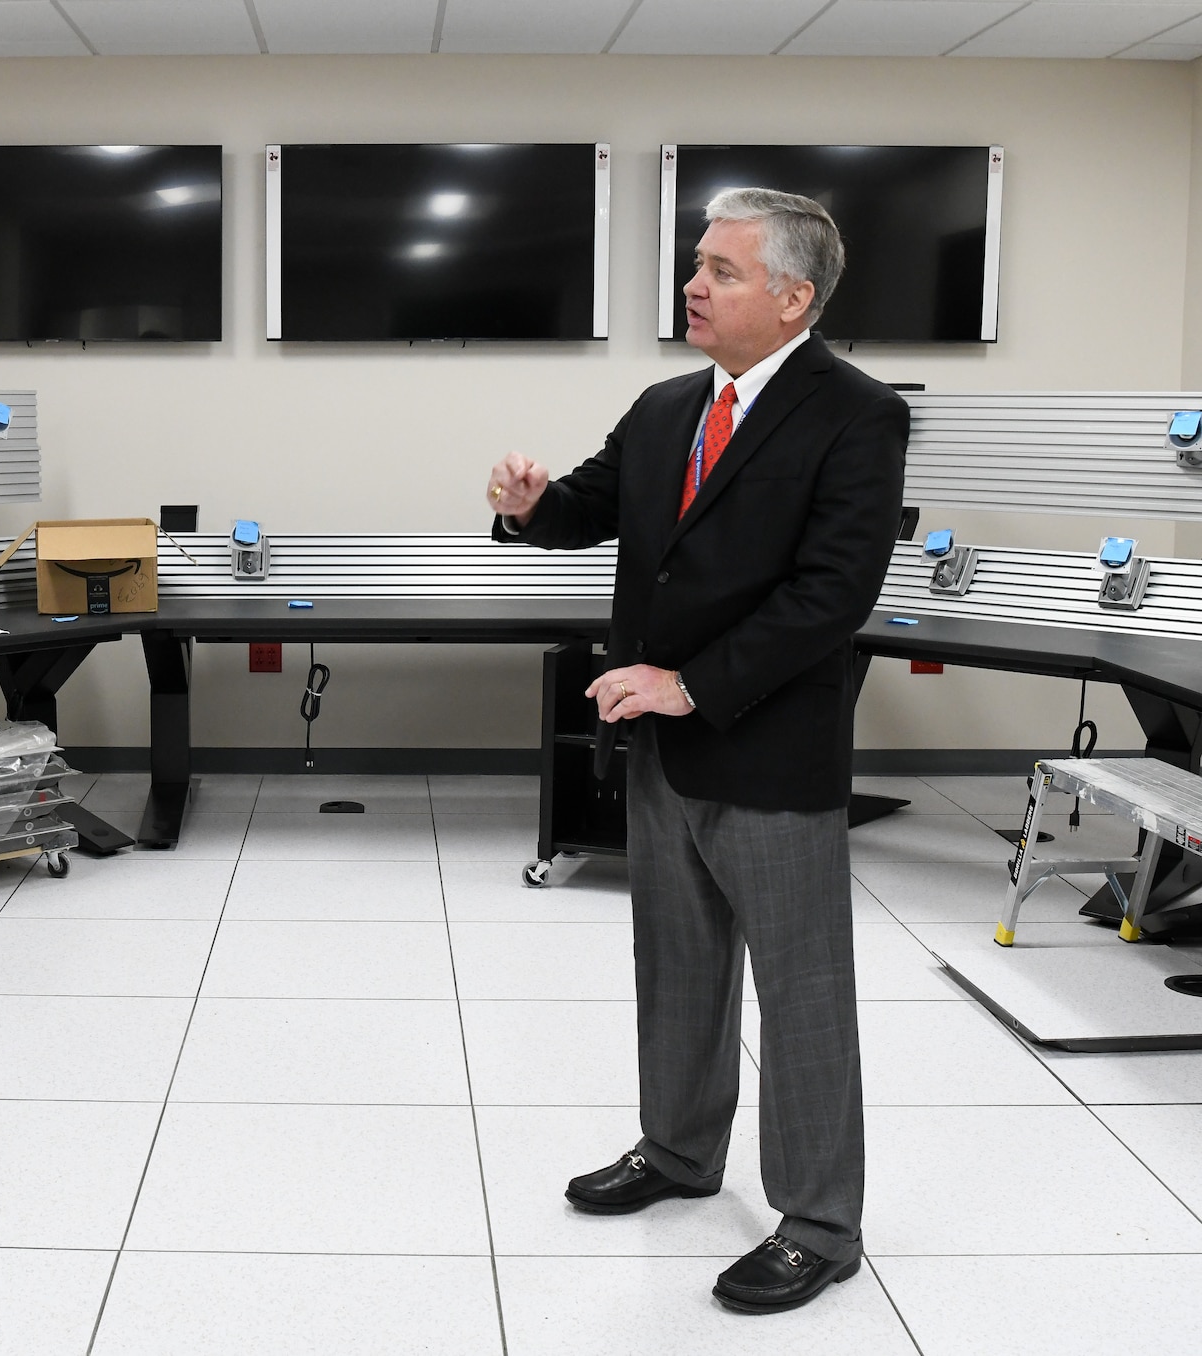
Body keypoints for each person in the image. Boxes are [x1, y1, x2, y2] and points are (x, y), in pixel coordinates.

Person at [485, 188, 907, 1313]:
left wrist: (686, 685)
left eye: (720, 269)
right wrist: (529, 508)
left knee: (801, 992)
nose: (693, 284)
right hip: (658, 750)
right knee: (675, 970)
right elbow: (588, 504)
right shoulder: (668, 401)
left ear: (790, 296)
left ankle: (817, 1222)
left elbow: (831, 596)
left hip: (763, 750)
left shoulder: (854, 415)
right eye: (696, 265)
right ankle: (676, 1154)